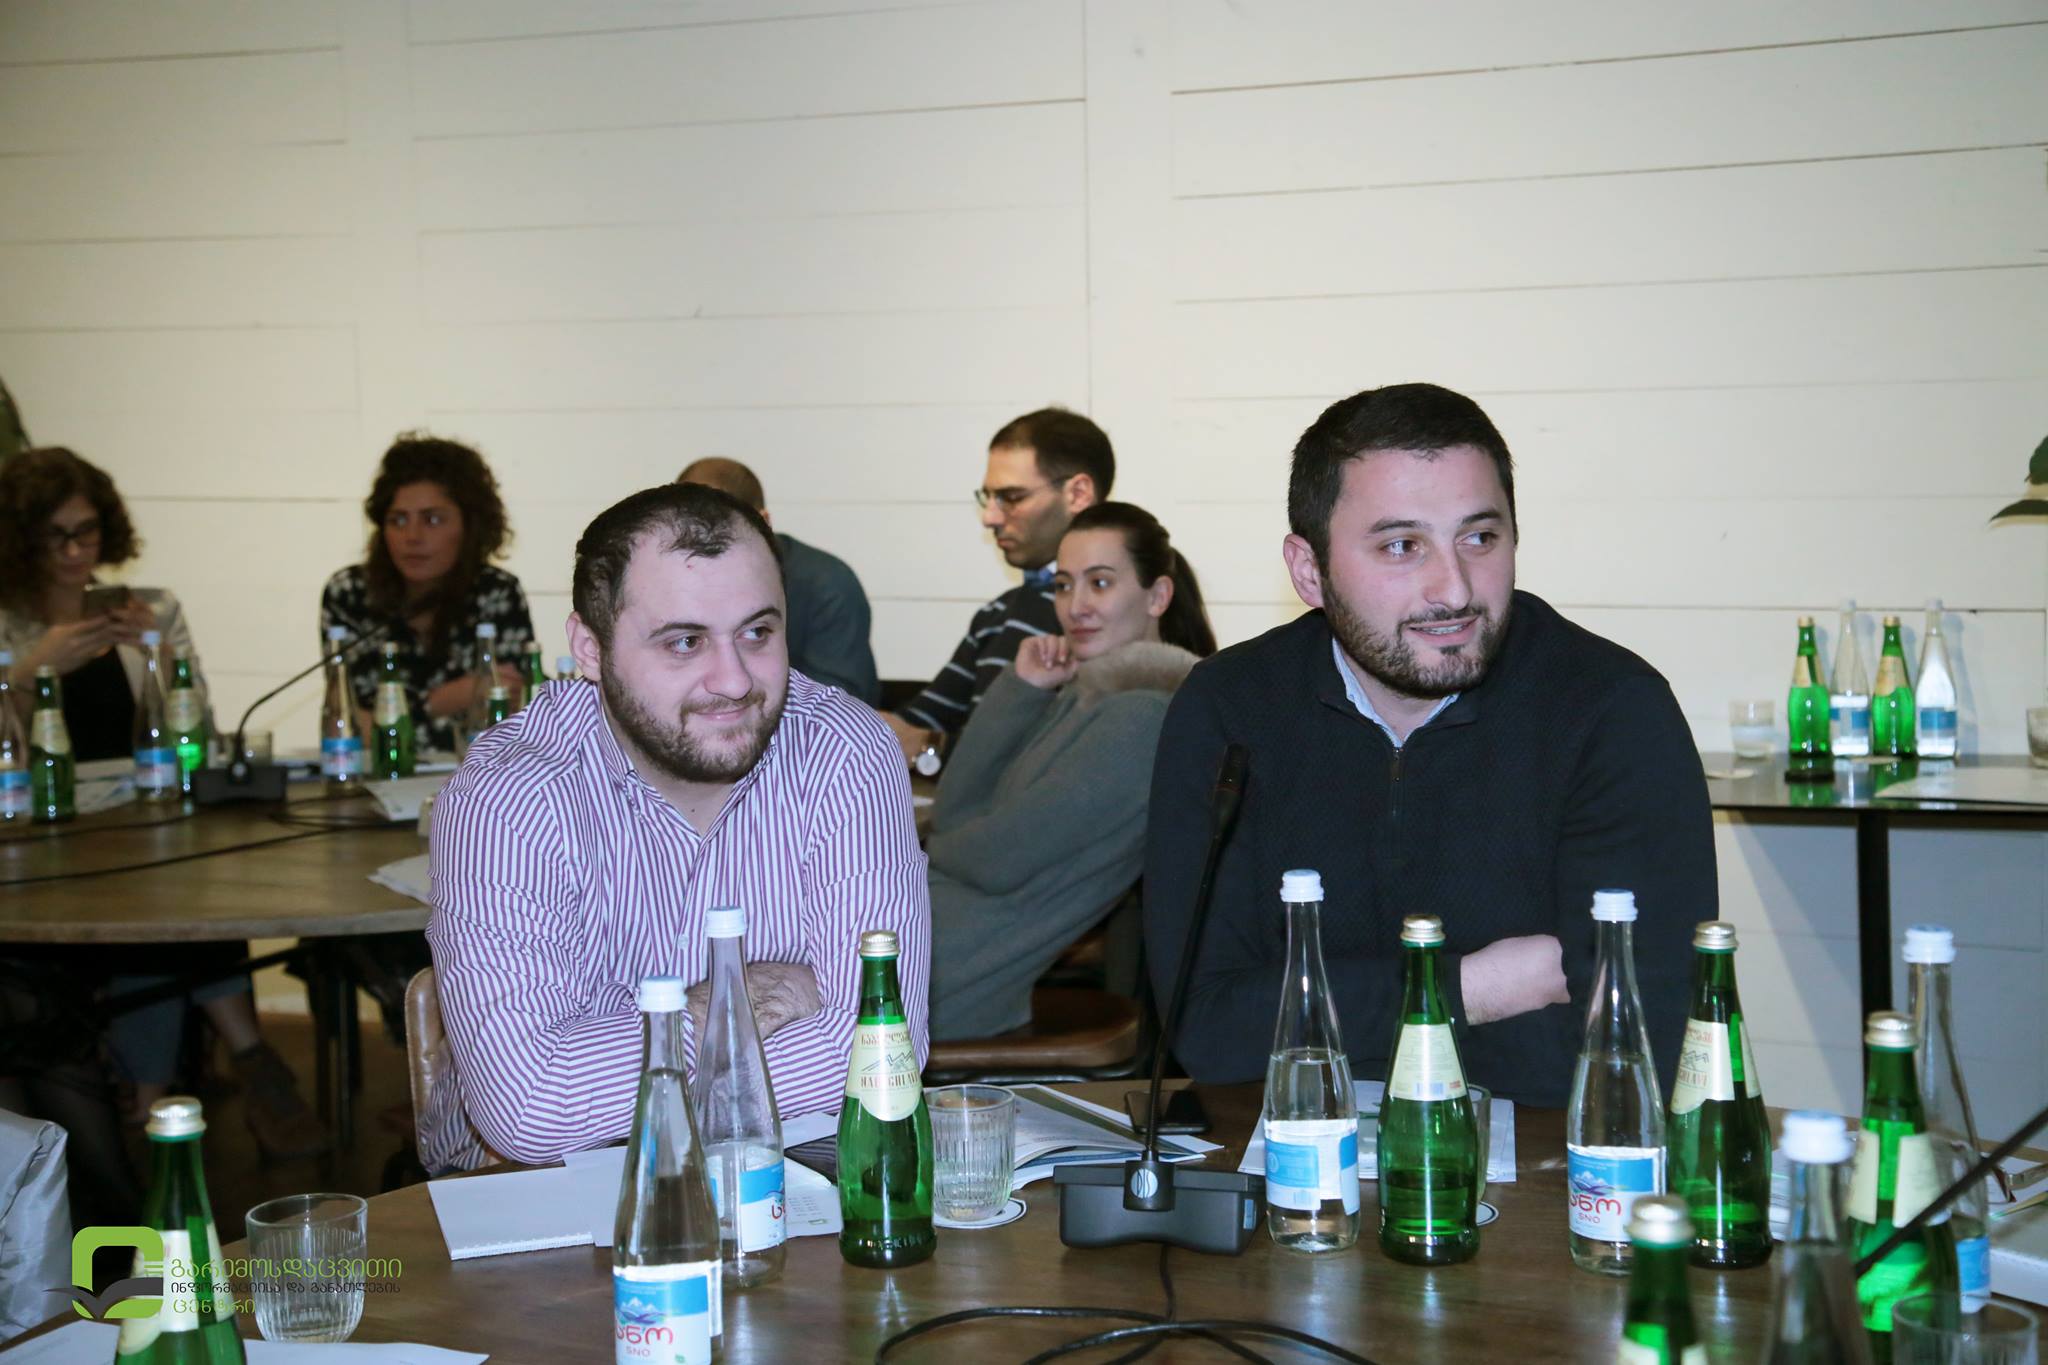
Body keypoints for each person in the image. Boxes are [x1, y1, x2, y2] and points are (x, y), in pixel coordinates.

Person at [1143, 383, 1714, 1108]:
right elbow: (1208, 1031)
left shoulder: (1612, 710)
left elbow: (1637, 1045)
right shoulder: (1229, 708)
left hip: (1545, 1166)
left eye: (1480, 538)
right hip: (1292, 1158)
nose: (1454, 590)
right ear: (1309, 570)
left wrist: (1320, 1028)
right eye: (1401, 546)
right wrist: (1475, 987)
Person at [422, 482, 928, 1172]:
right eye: (685, 642)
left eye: (758, 633)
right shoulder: (510, 796)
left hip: (790, 1175)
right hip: (539, 1197)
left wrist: (615, 1061)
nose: (734, 680)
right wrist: (733, 1007)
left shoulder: (844, 752)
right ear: (590, 648)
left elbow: (882, 1053)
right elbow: (530, 1112)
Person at [0, 447, 327, 1160]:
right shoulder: (9, 626)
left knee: (182, 900)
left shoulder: (149, 606)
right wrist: (29, 672)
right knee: (162, 917)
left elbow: (196, 732)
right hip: (45, 838)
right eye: (56, 536)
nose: (75, 551)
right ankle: (247, 1057)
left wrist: (159, 654)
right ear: (22, 540)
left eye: (87, 531)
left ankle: (154, 1104)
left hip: (144, 820)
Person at [929, 504, 1214, 1040]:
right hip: (933, 943)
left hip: (951, 979)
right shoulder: (1084, 697)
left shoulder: (1143, 718)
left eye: (1099, 583)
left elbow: (999, 860)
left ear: (1158, 596)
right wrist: (1022, 688)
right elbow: (953, 810)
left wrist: (920, 847)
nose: (1075, 606)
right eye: (1063, 586)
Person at [885, 408, 1111, 763]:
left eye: (1012, 497)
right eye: (987, 498)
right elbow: (915, 722)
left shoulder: (1113, 618)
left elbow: (1043, 759)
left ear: (1078, 493)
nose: (989, 517)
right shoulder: (997, 613)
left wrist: (931, 746)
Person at [320, 433, 536, 753]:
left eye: (432, 519)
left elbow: (508, 722)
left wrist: (397, 719)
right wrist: (444, 700)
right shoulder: (349, 593)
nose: (412, 536)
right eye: (398, 520)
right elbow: (349, 724)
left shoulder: (497, 592)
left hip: (476, 778)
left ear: (470, 526)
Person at [677, 456, 879, 704]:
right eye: (687, 533)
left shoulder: (827, 584)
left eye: (721, 532)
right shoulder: (671, 583)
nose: (704, 548)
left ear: (764, 523)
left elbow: (837, 706)